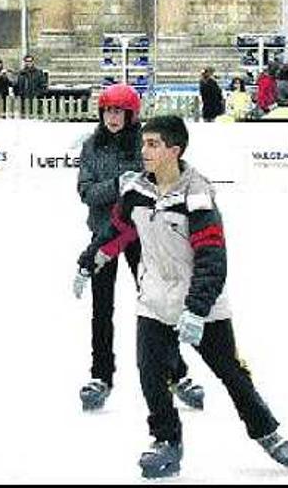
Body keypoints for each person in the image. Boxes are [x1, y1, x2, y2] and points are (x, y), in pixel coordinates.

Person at [74, 115, 288, 478]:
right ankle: (167, 442)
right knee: (150, 374)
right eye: (143, 144)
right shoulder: (136, 191)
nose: (143, 151)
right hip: (155, 300)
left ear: (174, 150)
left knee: (231, 373)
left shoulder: (197, 194)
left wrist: (196, 309)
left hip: (201, 305)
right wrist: (89, 262)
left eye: (153, 144)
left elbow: (212, 258)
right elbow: (116, 232)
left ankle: (266, 430)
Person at [75, 84, 202, 412]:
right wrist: (117, 184)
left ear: (130, 115)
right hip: (104, 236)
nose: (113, 118)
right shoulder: (92, 147)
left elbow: (155, 183)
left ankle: (176, 372)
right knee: (101, 310)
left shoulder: (143, 145)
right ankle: (100, 375)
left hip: (140, 238)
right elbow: (86, 192)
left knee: (158, 306)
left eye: (119, 112)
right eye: (108, 111)